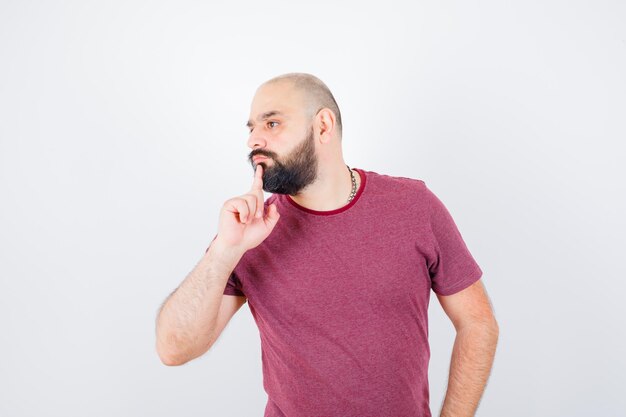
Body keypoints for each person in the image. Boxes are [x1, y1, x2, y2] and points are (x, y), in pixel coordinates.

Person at [155, 72, 499, 417]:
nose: (254, 141)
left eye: (271, 123)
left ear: (322, 126)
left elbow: (477, 323)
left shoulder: (414, 207)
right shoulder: (248, 233)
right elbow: (173, 349)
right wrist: (223, 252)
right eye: (251, 128)